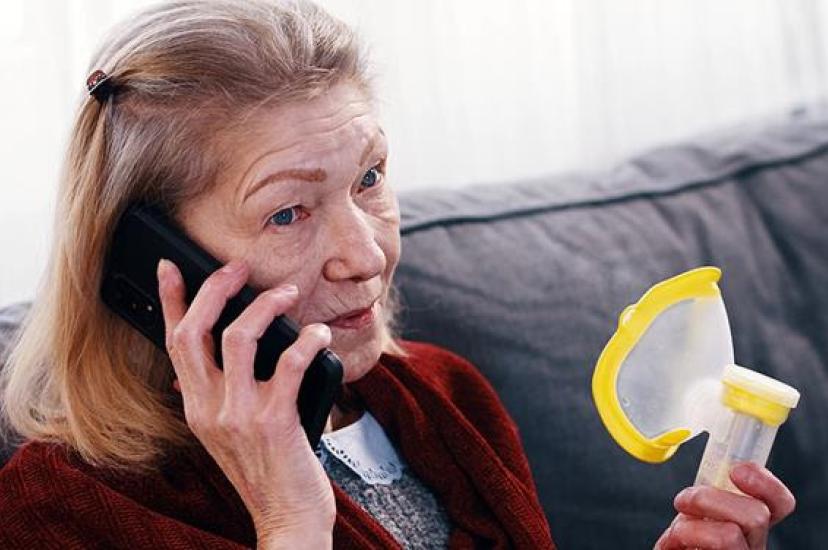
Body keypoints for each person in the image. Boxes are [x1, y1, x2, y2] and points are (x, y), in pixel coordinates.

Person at [0, 1, 794, 548]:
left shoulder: (445, 399)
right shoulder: (62, 510)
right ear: (157, 259)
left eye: (370, 178)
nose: (369, 255)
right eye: (288, 213)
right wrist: (288, 522)